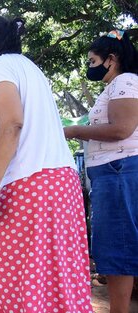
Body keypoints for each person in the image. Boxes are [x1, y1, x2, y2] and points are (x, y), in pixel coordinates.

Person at [0, 15, 93, 312]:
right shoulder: (31, 69)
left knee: (6, 269)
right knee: (56, 274)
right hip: (62, 183)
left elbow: (12, 123)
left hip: (31, 184)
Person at [64, 29, 138, 313]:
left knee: (119, 250)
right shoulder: (116, 85)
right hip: (113, 173)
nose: (89, 67)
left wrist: (72, 131)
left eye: (93, 61)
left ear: (111, 59)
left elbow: (122, 129)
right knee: (121, 248)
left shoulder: (125, 82)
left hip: (118, 172)